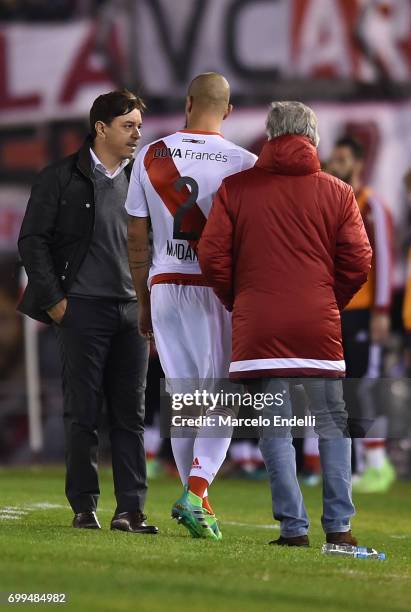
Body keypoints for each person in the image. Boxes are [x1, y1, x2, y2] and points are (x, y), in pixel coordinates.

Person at [198, 101, 372, 547]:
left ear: (270, 135)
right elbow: (358, 260)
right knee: (332, 423)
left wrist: (240, 300)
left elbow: (212, 257)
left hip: (260, 326)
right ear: (312, 137)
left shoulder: (236, 189)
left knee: (274, 426)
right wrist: (327, 300)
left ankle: (293, 529)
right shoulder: (338, 192)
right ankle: (340, 528)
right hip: (318, 323)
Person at [18, 89, 158, 534]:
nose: (137, 134)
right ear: (101, 128)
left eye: (138, 125)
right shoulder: (59, 177)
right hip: (82, 310)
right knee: (83, 413)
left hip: (132, 312)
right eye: (128, 126)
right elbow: (32, 241)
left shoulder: (146, 180)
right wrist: (56, 300)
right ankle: (84, 506)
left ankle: (130, 509)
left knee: (130, 415)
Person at [125, 72, 257, 540]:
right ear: (228, 110)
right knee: (223, 396)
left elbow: (136, 236)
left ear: (187, 103)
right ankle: (197, 490)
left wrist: (143, 301)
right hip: (215, 289)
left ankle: (197, 503)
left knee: (186, 403)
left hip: (164, 286)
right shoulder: (244, 163)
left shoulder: (151, 155)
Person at [328, 136, 395, 493]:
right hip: (335, 309)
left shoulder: (372, 206)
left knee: (362, 387)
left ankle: (376, 464)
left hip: (364, 311)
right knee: (340, 389)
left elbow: (383, 260)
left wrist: (382, 311)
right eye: (333, 159)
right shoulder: (335, 203)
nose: (334, 165)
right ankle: (353, 465)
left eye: (341, 159)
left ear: (356, 163)